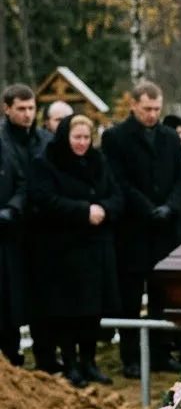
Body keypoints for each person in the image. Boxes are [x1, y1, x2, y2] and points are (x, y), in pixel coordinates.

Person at [102, 80, 181, 378]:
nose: (153, 114)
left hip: (165, 229)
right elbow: (118, 181)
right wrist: (147, 208)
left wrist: (170, 207)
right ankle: (131, 357)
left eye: (157, 109)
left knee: (162, 295)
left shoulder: (169, 137)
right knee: (130, 297)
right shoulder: (115, 138)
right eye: (147, 109)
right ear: (134, 106)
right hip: (132, 230)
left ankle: (161, 352)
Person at [29, 116, 122, 388]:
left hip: (95, 247)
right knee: (67, 311)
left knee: (91, 310)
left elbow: (115, 193)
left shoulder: (98, 161)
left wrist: (105, 208)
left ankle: (89, 362)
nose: (82, 144)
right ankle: (70, 362)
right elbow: (44, 199)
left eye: (86, 138)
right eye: (76, 138)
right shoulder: (46, 162)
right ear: (65, 137)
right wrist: (84, 211)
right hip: (63, 250)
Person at [1, 84, 49, 369]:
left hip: (43, 229)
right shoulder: (2, 140)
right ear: (7, 108)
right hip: (9, 230)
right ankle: (10, 357)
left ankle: (45, 357)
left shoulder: (44, 139)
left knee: (42, 296)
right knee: (8, 299)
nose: (27, 114)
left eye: (31, 108)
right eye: (21, 108)